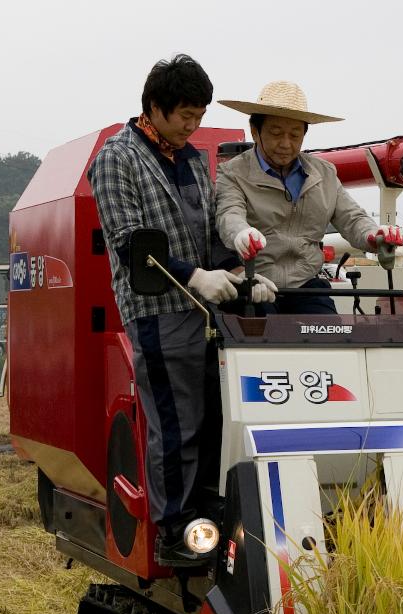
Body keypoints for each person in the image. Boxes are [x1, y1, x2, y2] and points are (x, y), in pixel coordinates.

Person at [88, 54, 276, 567]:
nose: (193, 126)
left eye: (199, 115)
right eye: (185, 116)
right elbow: (129, 244)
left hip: (207, 310)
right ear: (155, 107)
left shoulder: (193, 161)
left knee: (216, 413)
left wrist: (239, 276)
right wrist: (193, 276)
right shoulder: (116, 158)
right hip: (157, 309)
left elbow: (210, 232)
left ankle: (208, 511)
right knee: (175, 421)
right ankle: (174, 529)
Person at [215, 81, 403, 314]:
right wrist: (240, 234)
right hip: (252, 284)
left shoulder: (324, 173)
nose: (286, 144)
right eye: (276, 133)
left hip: (305, 285)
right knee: (259, 339)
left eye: (295, 135)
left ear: (305, 134)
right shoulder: (232, 173)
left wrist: (374, 235)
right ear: (255, 131)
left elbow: (352, 218)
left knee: (329, 337)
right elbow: (228, 215)